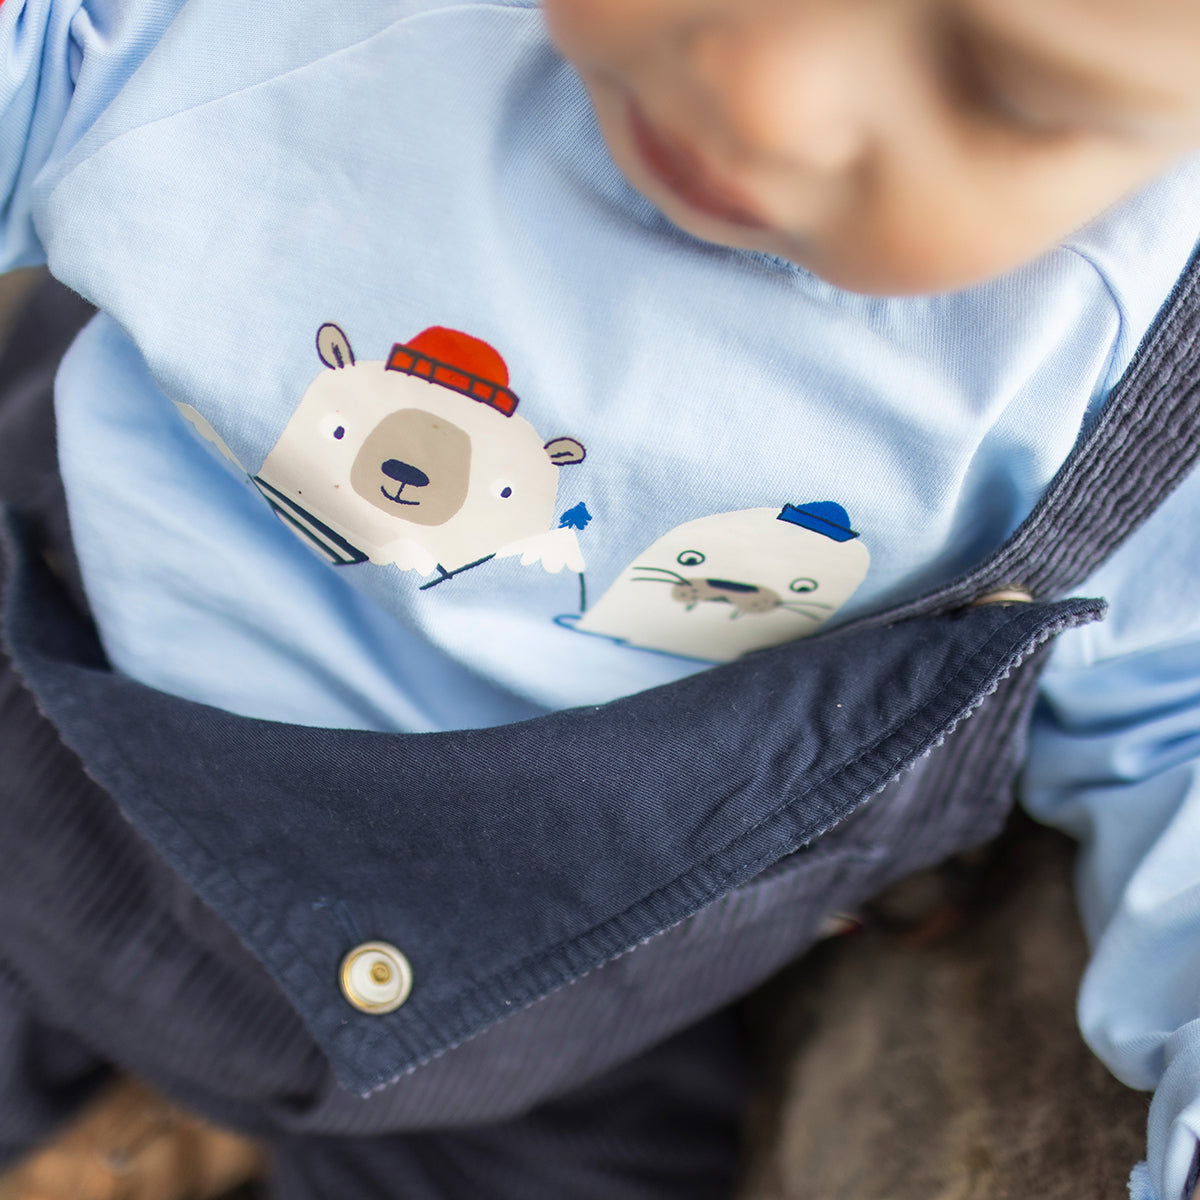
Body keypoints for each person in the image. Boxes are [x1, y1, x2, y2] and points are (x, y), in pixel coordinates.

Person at [2, 0, 1200, 1197]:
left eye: (1010, 93)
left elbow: (1177, 734)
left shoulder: (1143, 373)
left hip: (541, 1015)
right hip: (57, 738)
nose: (764, 96)